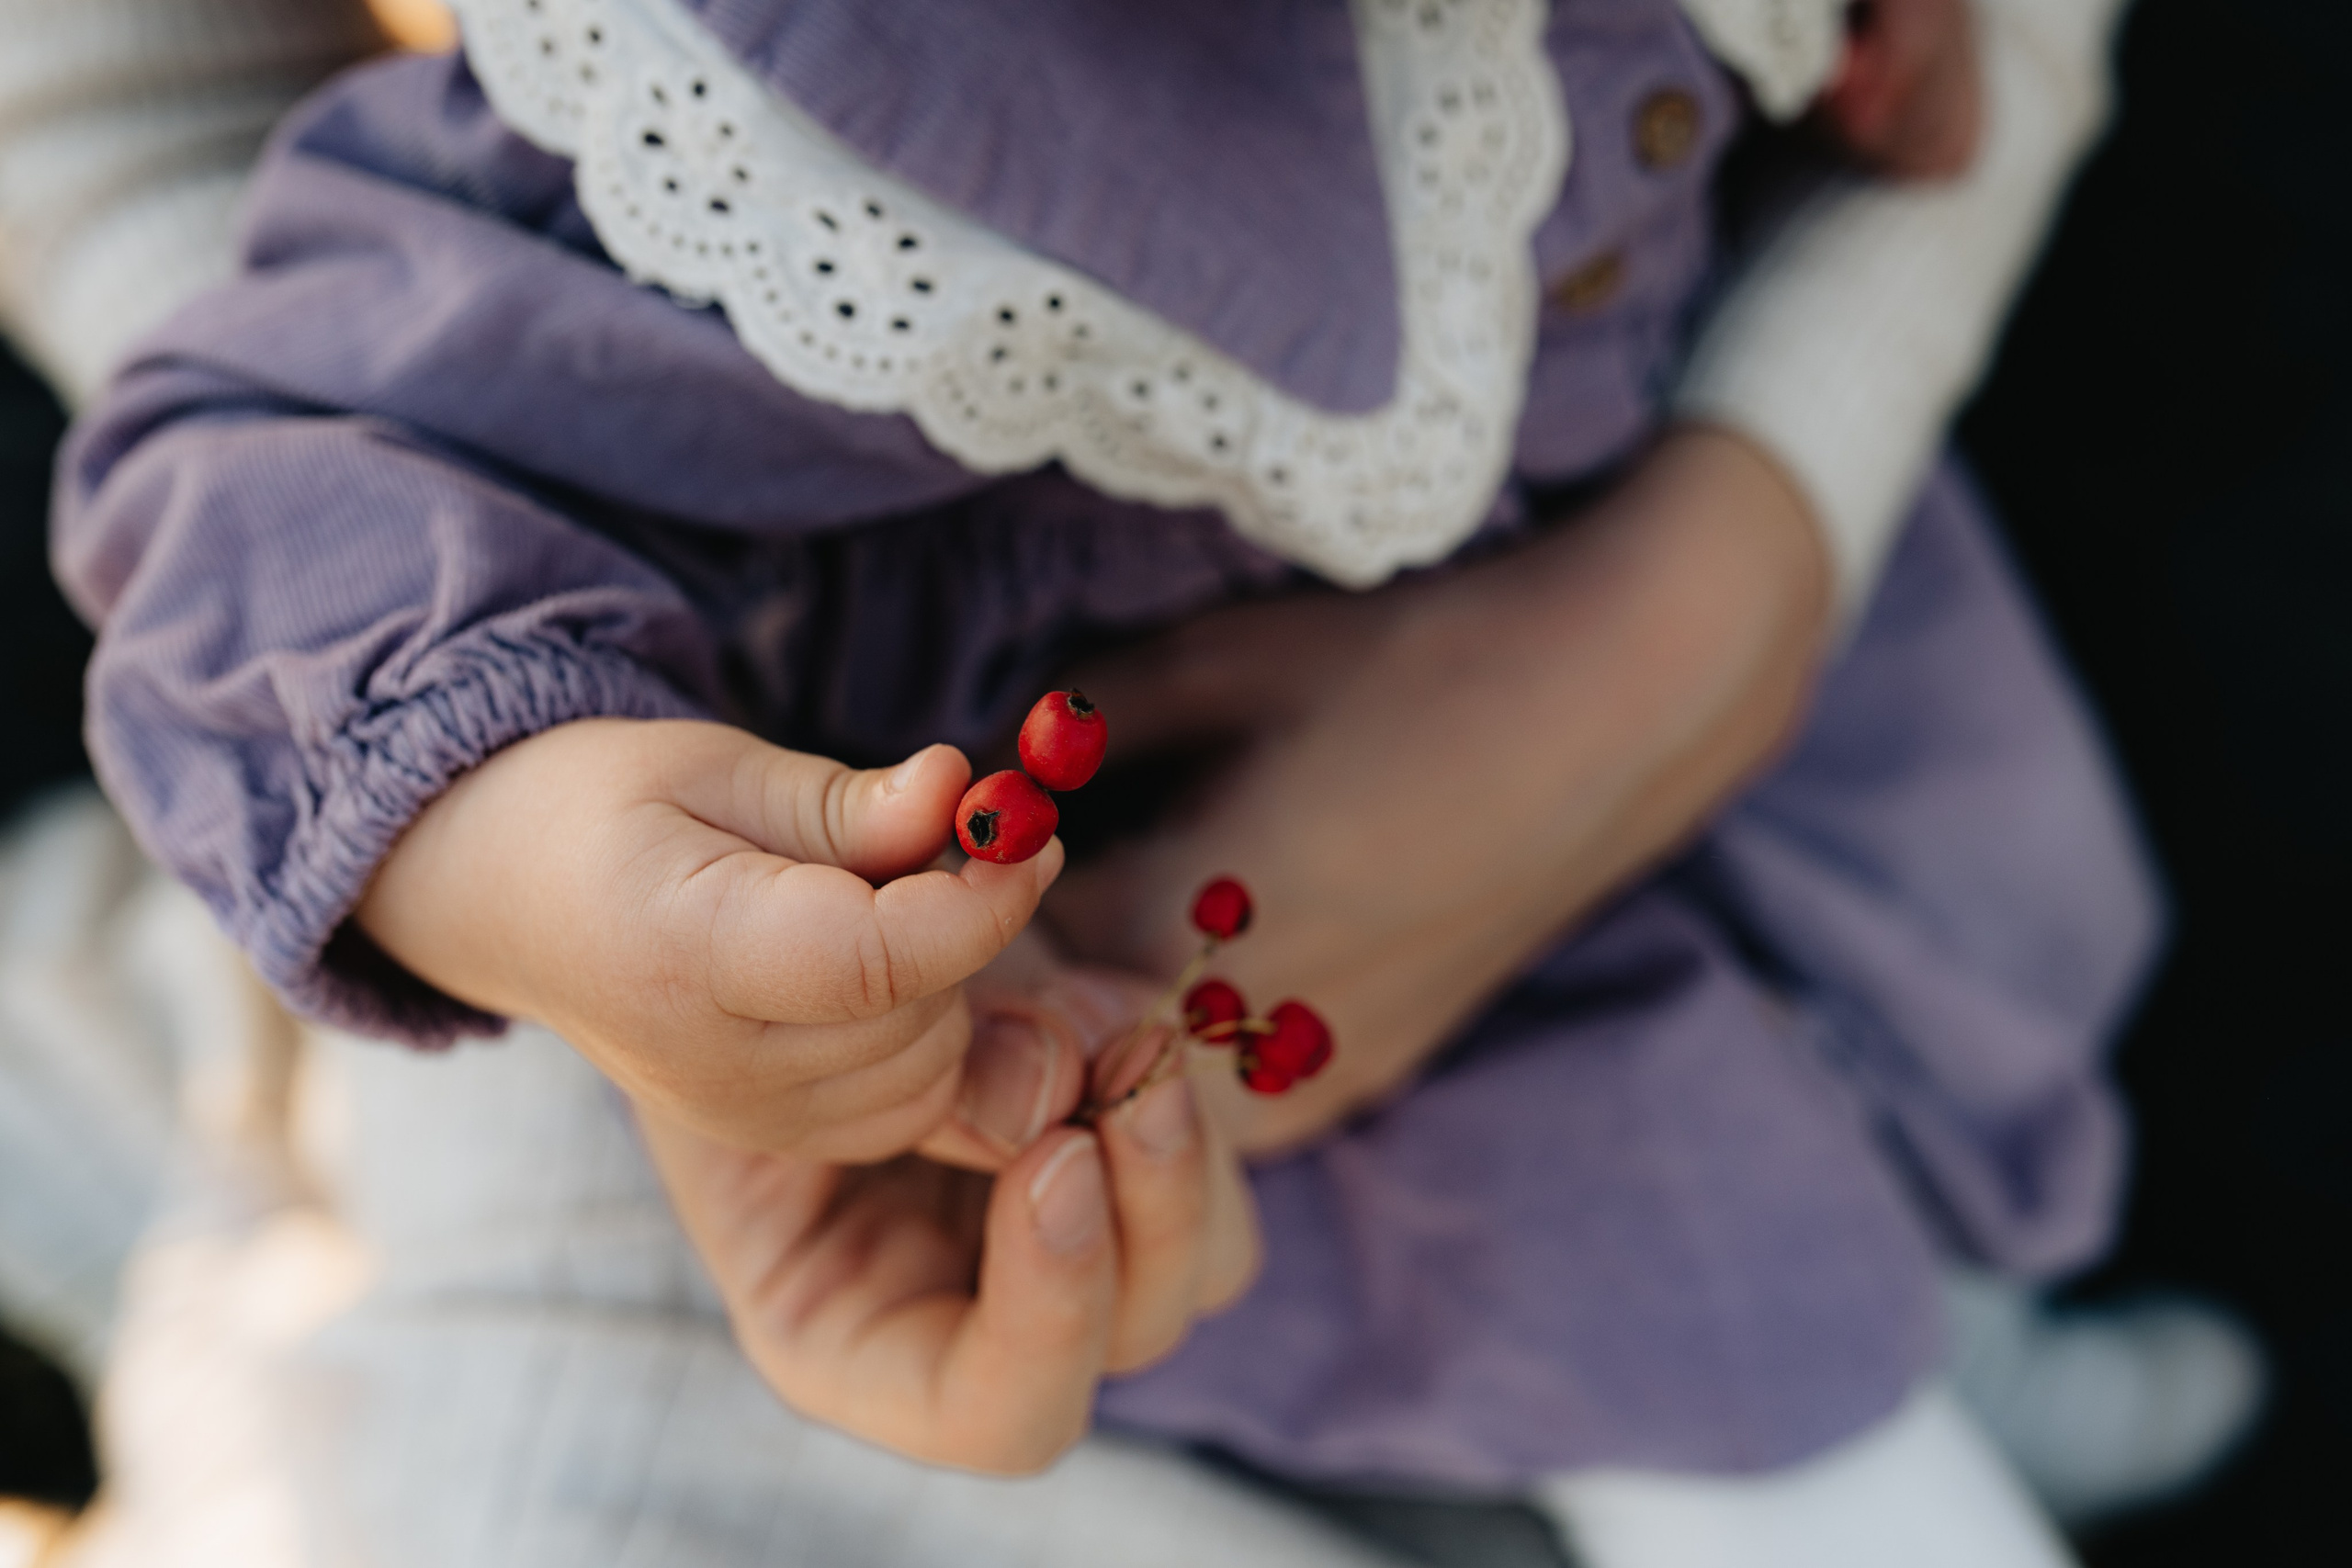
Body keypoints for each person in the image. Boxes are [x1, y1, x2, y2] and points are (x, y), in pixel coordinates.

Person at [14, 0, 2258, 1562]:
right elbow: (266, 503)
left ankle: (1948, 1307)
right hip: (1193, 902)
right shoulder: (769, 106)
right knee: (1691, 1324)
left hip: (1713, 609)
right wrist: (542, 862)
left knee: (1951, 972)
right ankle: (1879, 1402)